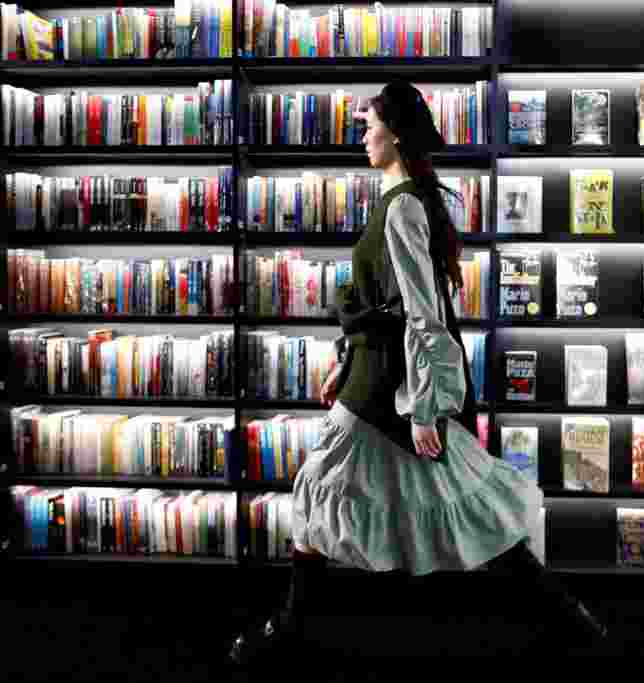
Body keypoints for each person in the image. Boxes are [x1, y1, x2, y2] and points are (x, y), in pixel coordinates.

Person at [228, 80, 608, 667]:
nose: (362, 134)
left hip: (390, 387)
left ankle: (288, 630)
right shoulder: (396, 200)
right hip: (376, 377)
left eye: (368, 124)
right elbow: (380, 309)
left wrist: (426, 407)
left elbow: (424, 315)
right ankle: (572, 621)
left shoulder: (403, 205)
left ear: (396, 132)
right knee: (452, 499)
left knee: (328, 495)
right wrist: (345, 363)